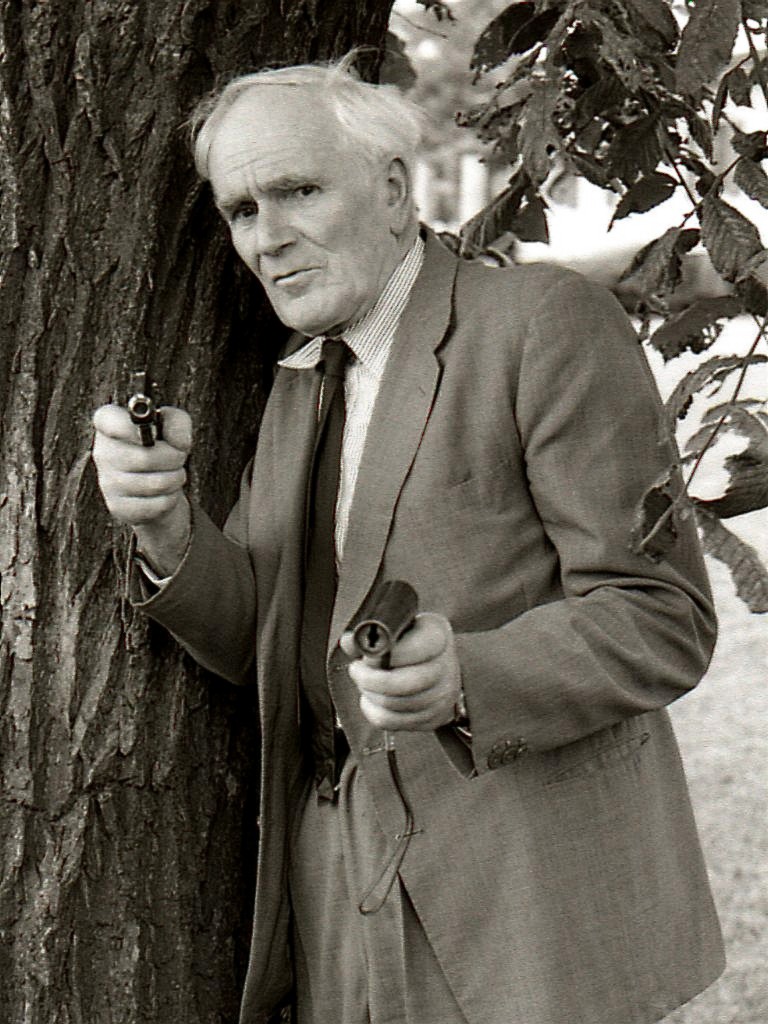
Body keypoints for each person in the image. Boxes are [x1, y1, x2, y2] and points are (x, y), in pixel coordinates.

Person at [92, 55, 725, 1024]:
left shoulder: (541, 324)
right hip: (340, 910)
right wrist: (165, 525)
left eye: (298, 191)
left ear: (393, 190)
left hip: (529, 911)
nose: (269, 237)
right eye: (242, 210)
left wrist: (470, 677)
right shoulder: (300, 382)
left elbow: (664, 616)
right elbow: (264, 640)